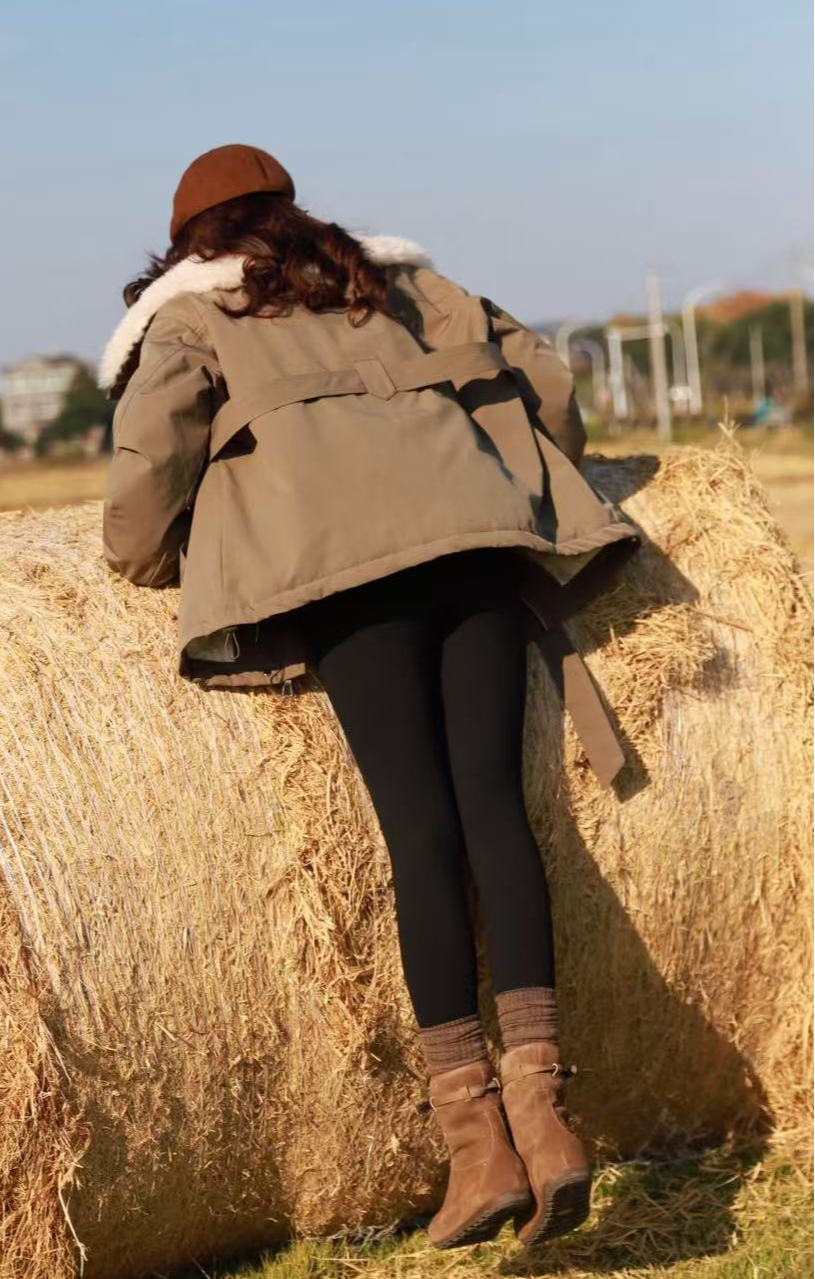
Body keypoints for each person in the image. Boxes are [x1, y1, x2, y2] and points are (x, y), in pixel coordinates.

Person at [97, 144, 639, 1250]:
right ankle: (545, 1114)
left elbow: (150, 462)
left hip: (348, 574)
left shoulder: (191, 315)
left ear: (189, 238)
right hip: (478, 537)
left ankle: (477, 1146)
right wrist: (537, 473)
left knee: (420, 834)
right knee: (497, 812)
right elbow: (546, 378)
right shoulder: (397, 281)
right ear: (290, 211)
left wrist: (146, 562)